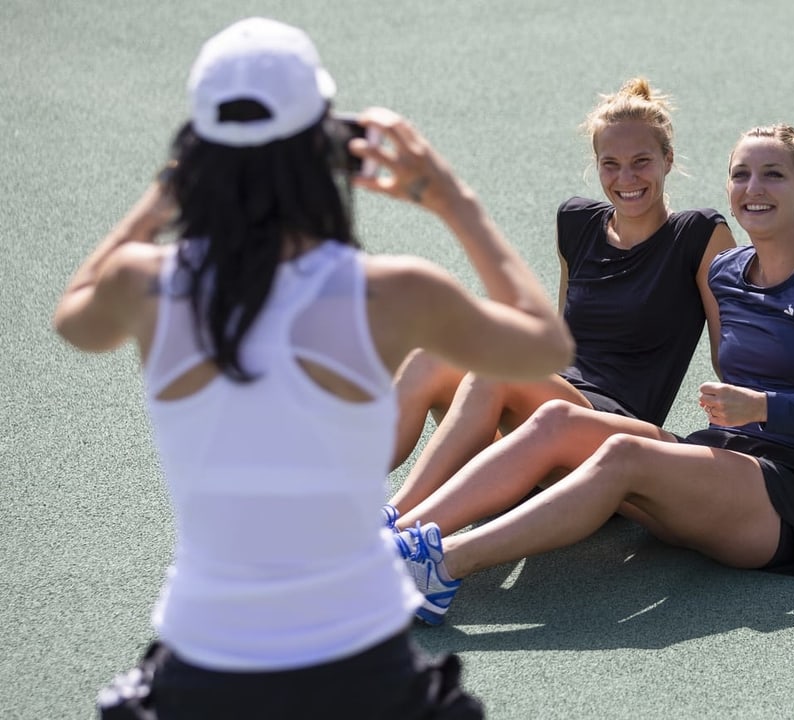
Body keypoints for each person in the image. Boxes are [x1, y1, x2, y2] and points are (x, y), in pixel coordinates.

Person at [53, 17, 573, 719]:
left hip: (203, 664)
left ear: (198, 147)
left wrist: (165, 193)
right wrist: (449, 196)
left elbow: (74, 318)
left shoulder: (141, 282)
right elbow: (547, 347)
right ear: (323, 147)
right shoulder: (391, 292)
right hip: (363, 667)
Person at [393, 123, 794, 626]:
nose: (754, 188)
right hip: (720, 456)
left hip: (789, 492)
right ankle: (395, 536)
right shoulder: (727, 272)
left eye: (773, 175)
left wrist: (767, 408)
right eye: (741, 174)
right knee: (556, 419)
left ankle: (440, 565)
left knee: (622, 453)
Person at [385, 77, 736, 519]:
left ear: (668, 159)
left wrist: (772, 433)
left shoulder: (700, 234)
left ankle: (393, 525)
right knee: (431, 356)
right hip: (544, 411)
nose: (626, 178)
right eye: (611, 164)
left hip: (606, 432)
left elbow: (732, 355)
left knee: (495, 372)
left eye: (641, 162)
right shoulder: (576, 221)